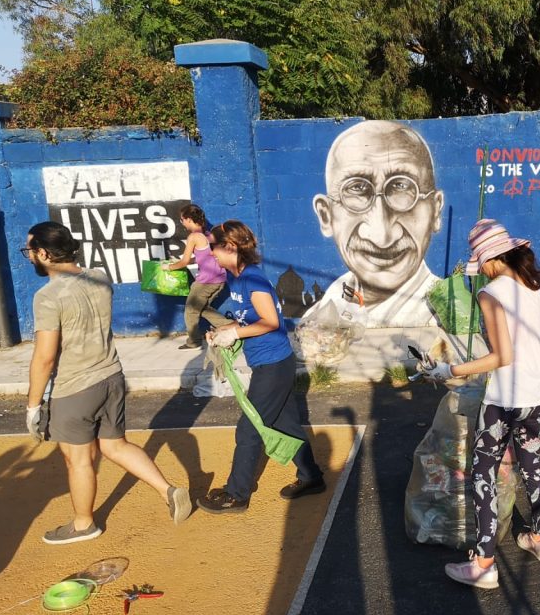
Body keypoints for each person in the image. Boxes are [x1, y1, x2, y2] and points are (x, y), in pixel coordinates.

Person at [24, 221, 191, 544]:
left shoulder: (47, 296)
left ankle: (84, 524)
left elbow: (44, 357)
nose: (29, 257)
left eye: (30, 250)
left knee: (79, 460)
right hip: (111, 377)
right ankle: (167, 490)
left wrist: (33, 405)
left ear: (44, 253)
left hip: (75, 387)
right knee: (115, 445)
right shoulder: (100, 278)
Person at [422, 219, 540, 589]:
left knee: (484, 473)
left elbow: (501, 356)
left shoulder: (491, 293)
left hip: (506, 399)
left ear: (491, 260)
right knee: (532, 464)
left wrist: (452, 369)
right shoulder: (532, 284)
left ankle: (484, 563)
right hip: (538, 393)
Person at [196, 221, 326, 513]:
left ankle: (236, 494)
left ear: (230, 247)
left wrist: (236, 334)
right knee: (286, 423)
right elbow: (247, 319)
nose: (209, 253)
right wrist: (224, 331)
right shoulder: (236, 279)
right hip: (267, 363)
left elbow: (270, 322)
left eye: (213, 246)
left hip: (274, 365)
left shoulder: (253, 279)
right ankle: (311, 477)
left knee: (249, 429)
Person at [307, 120, 446, 328]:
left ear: (435, 211)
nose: (382, 236)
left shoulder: (438, 316)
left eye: (402, 187)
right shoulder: (324, 310)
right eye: (356, 189)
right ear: (326, 216)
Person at [163, 203, 233, 349]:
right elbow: (203, 256)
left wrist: (168, 267)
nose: (182, 223)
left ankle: (194, 341)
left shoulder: (194, 236)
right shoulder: (208, 235)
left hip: (205, 281)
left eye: (182, 219)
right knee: (203, 308)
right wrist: (182, 261)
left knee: (190, 311)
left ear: (189, 219)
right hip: (219, 279)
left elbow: (185, 261)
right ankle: (231, 327)